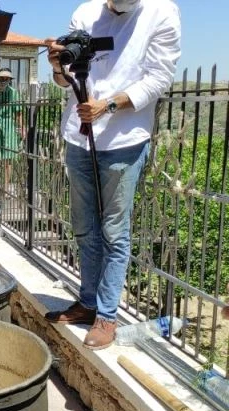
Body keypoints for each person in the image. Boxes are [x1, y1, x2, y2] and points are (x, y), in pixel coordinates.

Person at [43, 0, 181, 349]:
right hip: (79, 137)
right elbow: (66, 80)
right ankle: (88, 302)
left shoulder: (162, 12)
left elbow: (159, 77)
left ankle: (106, 315)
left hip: (124, 140)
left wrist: (108, 105)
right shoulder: (85, 13)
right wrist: (58, 67)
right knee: (84, 227)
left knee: (114, 231)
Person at [0, 68, 24, 188]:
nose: (3, 81)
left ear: (9, 80)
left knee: (8, 158)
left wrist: (22, 128)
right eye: (1, 78)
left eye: (6, 79)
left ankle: (5, 186)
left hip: (9, 128)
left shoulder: (13, 93)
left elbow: (18, 113)